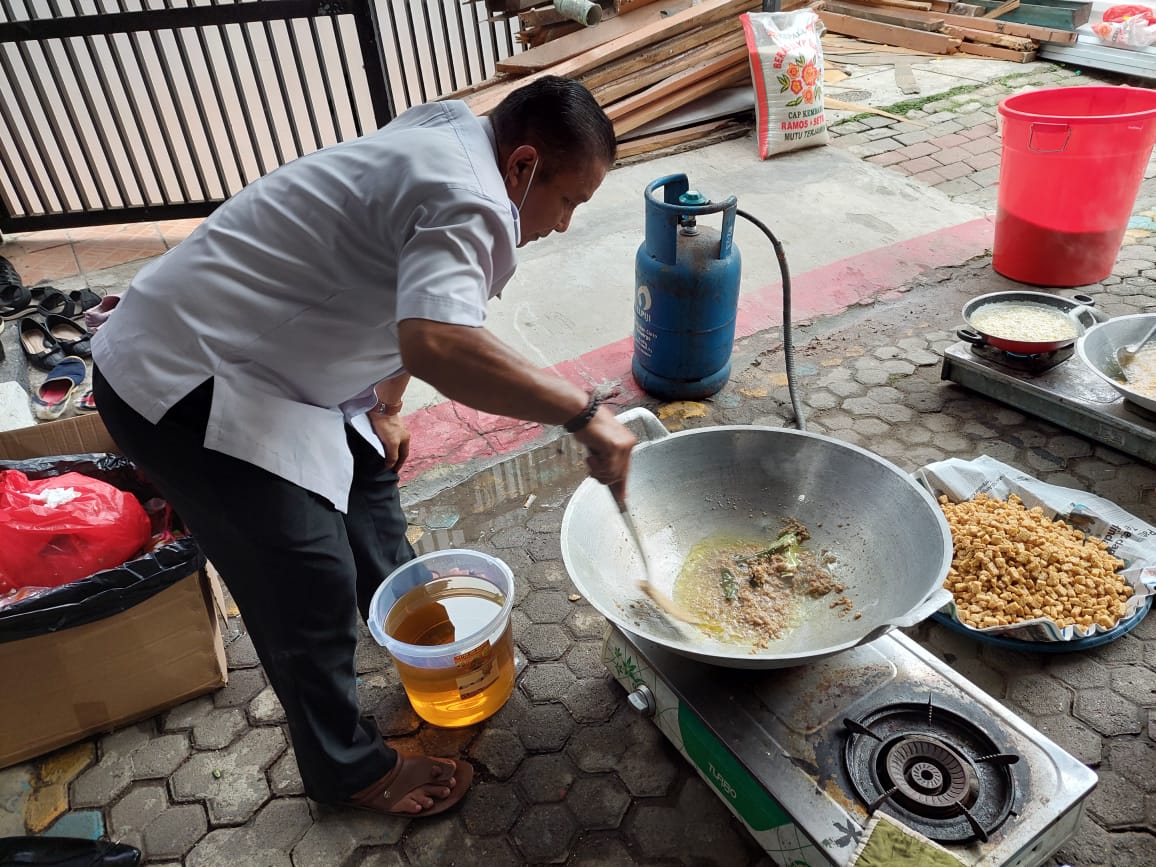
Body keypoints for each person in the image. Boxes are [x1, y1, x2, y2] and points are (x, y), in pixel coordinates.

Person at [91, 75, 636, 818]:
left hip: (275, 358)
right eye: (569, 199)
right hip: (183, 377)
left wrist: (386, 401)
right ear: (523, 166)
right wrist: (584, 412)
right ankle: (346, 771)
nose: (567, 223)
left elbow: (403, 284)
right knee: (306, 572)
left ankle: (415, 638)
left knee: (371, 475)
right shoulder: (471, 197)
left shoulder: (452, 134)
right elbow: (440, 337)